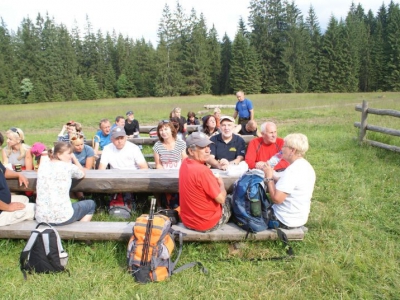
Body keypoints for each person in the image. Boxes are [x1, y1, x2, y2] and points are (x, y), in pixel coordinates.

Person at [179, 132, 230, 232]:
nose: (208, 150)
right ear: (191, 151)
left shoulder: (185, 163)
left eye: (208, 146)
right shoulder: (202, 171)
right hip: (206, 224)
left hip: (187, 221)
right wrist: (222, 184)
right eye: (203, 148)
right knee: (232, 199)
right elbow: (221, 199)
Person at [35, 142, 96, 225]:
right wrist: (74, 159)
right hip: (62, 217)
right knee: (91, 204)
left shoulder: (43, 166)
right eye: (69, 153)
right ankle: (80, 231)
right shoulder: (69, 167)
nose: (71, 155)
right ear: (59, 154)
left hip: (41, 217)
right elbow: (82, 173)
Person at [263, 133, 316, 229]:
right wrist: (273, 173)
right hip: (299, 218)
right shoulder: (305, 165)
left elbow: (276, 199)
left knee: (248, 206)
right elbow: (289, 183)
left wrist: (269, 178)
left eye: (284, 146)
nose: (281, 149)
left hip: (283, 219)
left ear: (292, 150)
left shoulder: (292, 171)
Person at [0, 132, 35, 227]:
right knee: (35, 208)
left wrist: (18, 174)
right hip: (1, 212)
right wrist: (8, 207)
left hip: (3, 203)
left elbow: (4, 171)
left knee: (24, 199)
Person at [153, 121, 187, 209]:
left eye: (165, 129)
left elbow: (185, 161)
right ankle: (161, 206)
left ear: (171, 130)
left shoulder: (180, 143)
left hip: (179, 173)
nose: (163, 132)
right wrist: (163, 173)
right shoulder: (157, 146)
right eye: (161, 130)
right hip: (164, 173)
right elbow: (158, 164)